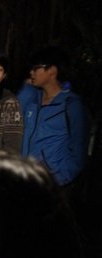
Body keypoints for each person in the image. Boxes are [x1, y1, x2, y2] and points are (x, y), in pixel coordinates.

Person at [17, 46, 91, 186]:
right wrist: (26, 90)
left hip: (50, 185)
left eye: (36, 68)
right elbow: (12, 122)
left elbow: (79, 152)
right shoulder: (32, 99)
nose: (31, 72)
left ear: (52, 70)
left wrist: (57, 180)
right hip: (24, 180)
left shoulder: (71, 105)